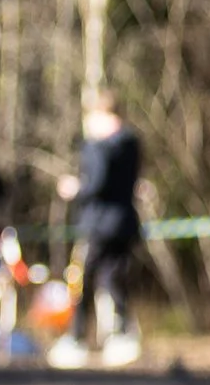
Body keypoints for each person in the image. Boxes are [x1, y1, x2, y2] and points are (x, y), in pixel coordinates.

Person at [51, 90, 142, 369]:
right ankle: (122, 334)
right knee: (114, 278)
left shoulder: (98, 146)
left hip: (98, 225)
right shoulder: (131, 143)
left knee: (83, 280)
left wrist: (76, 188)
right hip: (124, 223)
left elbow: (96, 183)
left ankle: (77, 337)